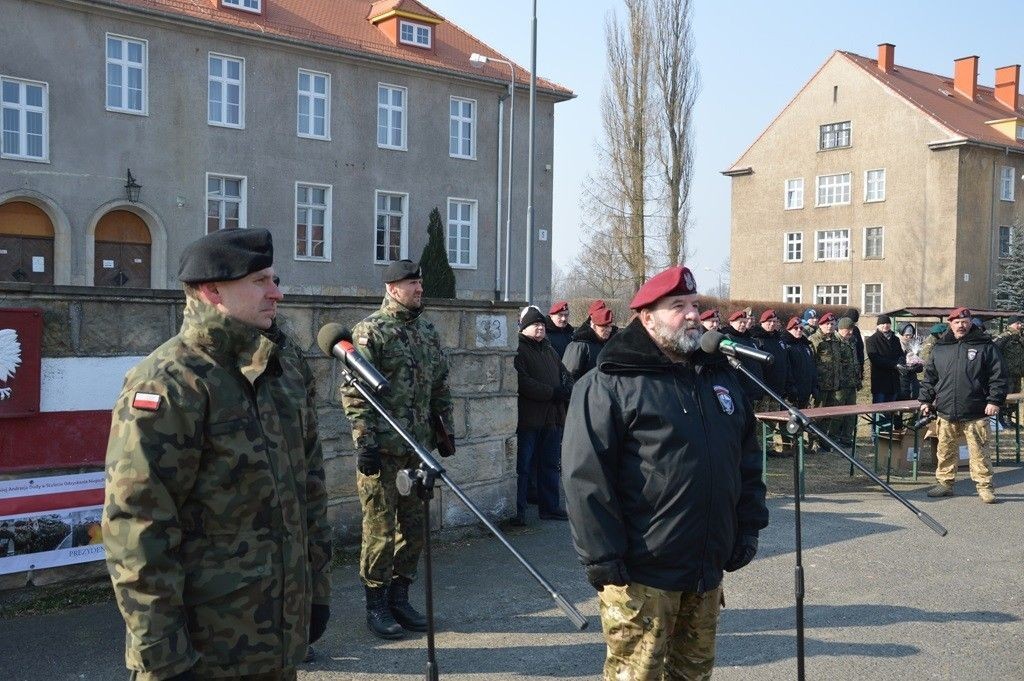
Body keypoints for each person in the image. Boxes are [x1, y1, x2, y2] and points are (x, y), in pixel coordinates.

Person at [103, 228, 332, 681]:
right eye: (260, 281)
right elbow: (137, 526)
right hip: (202, 648)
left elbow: (310, 491)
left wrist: (316, 592)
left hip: (276, 636)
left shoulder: (282, 370)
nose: (277, 293)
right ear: (212, 291)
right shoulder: (168, 382)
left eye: (275, 278)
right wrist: (162, 653)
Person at [562, 266, 768, 681]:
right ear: (647, 317)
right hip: (642, 573)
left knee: (694, 674)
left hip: (704, 568)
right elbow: (586, 479)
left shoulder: (719, 378)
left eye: (695, 305)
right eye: (678, 307)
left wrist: (747, 527)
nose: (693, 314)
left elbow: (745, 460)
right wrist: (603, 558)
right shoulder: (609, 383)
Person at [341, 259, 454, 639]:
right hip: (383, 451)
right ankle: (376, 605)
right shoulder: (370, 332)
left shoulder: (426, 331)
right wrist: (365, 443)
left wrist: (445, 430)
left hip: (417, 448)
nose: (419, 289)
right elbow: (354, 392)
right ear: (391, 288)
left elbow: (440, 383)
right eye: (411, 283)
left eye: (420, 282)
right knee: (379, 529)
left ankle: (400, 598)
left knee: (415, 527)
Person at [919, 307, 1007, 504]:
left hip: (975, 409)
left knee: (979, 451)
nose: (961, 325)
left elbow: (998, 376)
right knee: (945, 450)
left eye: (965, 321)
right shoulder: (941, 347)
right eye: (957, 322)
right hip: (946, 410)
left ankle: (985, 487)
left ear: (971, 323)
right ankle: (945, 484)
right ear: (950, 324)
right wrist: (925, 400)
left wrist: (994, 400)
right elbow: (930, 377)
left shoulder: (985, 345)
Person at [514, 306, 572, 525]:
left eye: (541, 325)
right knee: (524, 466)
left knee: (550, 464)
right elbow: (522, 381)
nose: (540, 328)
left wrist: (567, 389)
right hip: (530, 418)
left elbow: (564, 373)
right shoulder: (519, 349)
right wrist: (551, 392)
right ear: (525, 328)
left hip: (553, 417)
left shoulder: (548, 349)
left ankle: (550, 507)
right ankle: (518, 511)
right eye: (535, 325)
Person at [865, 314, 906, 434]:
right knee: (879, 410)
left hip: (893, 380)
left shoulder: (895, 339)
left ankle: (887, 434)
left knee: (890, 410)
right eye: (882, 323)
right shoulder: (872, 340)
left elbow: (900, 354)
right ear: (878, 325)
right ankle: (876, 435)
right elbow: (875, 359)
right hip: (880, 381)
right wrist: (894, 365)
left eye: (887, 323)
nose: (885, 326)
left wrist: (903, 361)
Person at [563, 303, 617, 381]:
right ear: (594, 326)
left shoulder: (608, 343)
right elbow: (569, 375)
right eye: (604, 326)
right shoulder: (579, 345)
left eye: (610, 326)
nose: (609, 330)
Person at [724, 308, 766, 404]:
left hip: (754, 388)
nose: (743, 325)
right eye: (740, 322)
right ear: (731, 323)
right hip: (740, 389)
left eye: (744, 322)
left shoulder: (751, 340)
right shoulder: (728, 339)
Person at [835, 318, 864, 445]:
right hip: (840, 385)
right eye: (848, 330)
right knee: (838, 414)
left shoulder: (852, 341)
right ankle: (834, 439)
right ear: (841, 329)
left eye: (852, 329)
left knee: (851, 414)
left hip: (852, 383)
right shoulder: (835, 342)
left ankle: (847, 438)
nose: (851, 332)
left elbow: (855, 362)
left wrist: (858, 379)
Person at [993, 315, 1024, 426]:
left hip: (1017, 373)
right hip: (1007, 374)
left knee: (1015, 398)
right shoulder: (1004, 337)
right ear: (1010, 324)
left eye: (1021, 323)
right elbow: (994, 350)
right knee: (1007, 397)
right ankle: (1003, 420)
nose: (1020, 326)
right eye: (1018, 323)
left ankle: (1010, 419)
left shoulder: (1019, 338)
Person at [783, 316, 816, 409]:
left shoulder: (805, 345)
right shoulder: (785, 345)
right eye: (795, 328)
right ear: (789, 329)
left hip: (805, 391)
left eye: (801, 328)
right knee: (789, 421)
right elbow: (786, 369)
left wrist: (814, 386)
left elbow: (811, 367)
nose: (799, 330)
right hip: (792, 393)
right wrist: (790, 388)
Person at [897, 323, 924, 401]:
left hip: (913, 380)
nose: (909, 337)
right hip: (900, 380)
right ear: (901, 334)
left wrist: (918, 366)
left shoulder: (914, 346)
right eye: (906, 335)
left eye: (910, 335)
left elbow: (919, 365)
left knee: (915, 400)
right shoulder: (896, 344)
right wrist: (903, 366)